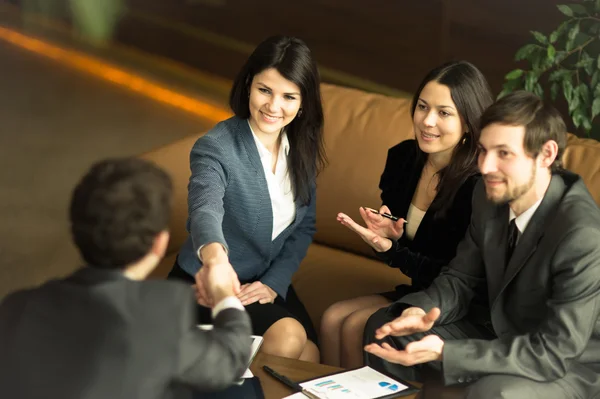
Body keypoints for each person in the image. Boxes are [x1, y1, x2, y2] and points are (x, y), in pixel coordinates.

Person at [363, 91, 600, 398]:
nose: (486, 167)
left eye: (504, 153)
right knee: (388, 329)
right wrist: (419, 311)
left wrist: (447, 353)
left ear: (546, 154)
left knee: (495, 392)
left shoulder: (582, 234)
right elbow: (461, 278)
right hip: (497, 329)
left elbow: (554, 351)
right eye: (483, 151)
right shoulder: (487, 197)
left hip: (567, 362)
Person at [0, 158, 252, 399]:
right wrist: (223, 292)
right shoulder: (162, 310)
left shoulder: (16, 306)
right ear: (160, 243)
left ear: (75, 232)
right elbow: (230, 361)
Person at [319, 60, 493, 368]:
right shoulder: (403, 161)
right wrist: (390, 242)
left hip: (457, 304)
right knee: (334, 318)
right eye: (423, 107)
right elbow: (409, 257)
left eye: (444, 113)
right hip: (419, 287)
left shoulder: (477, 187)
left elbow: (459, 278)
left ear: (468, 122)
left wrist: (395, 251)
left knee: (357, 327)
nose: (427, 121)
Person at [168, 35, 326, 362]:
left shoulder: (302, 148)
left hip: (262, 280)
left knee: (311, 355)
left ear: (303, 103)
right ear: (248, 85)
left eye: (288, 96)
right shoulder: (217, 146)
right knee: (290, 339)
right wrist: (216, 263)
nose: (273, 106)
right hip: (210, 285)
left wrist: (273, 282)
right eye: (264, 90)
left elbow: (304, 227)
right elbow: (204, 210)